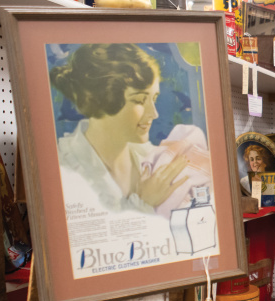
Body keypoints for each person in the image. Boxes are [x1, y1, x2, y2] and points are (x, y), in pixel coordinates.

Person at [50, 43, 190, 214]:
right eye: (139, 100)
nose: (154, 114)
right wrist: (143, 202)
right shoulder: (63, 170)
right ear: (101, 101)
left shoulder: (152, 157)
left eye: (154, 99)